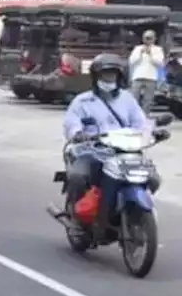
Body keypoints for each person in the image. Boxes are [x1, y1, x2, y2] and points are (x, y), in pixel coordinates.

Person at [59, 53, 151, 229]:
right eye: (105, 75)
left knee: (152, 178)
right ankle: (78, 220)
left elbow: (140, 122)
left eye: (112, 75)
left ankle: (131, 212)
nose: (109, 78)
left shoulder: (128, 99)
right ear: (96, 77)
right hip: (92, 151)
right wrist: (78, 133)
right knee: (78, 177)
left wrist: (150, 132)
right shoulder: (82, 101)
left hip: (124, 151)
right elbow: (71, 121)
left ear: (119, 77)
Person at [129, 29, 165, 111]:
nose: (147, 40)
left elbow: (160, 63)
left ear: (154, 39)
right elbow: (132, 61)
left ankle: (145, 116)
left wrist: (151, 54)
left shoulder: (158, 49)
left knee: (148, 99)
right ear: (143, 38)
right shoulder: (137, 48)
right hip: (138, 76)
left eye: (150, 38)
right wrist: (140, 54)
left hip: (151, 77)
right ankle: (134, 115)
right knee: (134, 98)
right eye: (146, 38)